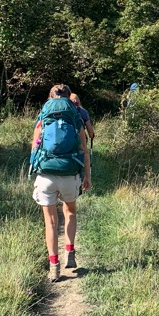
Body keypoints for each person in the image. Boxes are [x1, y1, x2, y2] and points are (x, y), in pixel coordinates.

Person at [30, 84, 91, 282]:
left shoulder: (43, 118)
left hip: (46, 175)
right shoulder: (75, 118)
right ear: (69, 98)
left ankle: (54, 267)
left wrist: (35, 168)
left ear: (50, 98)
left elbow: (34, 149)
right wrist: (87, 176)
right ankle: (70, 252)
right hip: (69, 172)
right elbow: (84, 150)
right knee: (70, 212)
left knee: (50, 222)